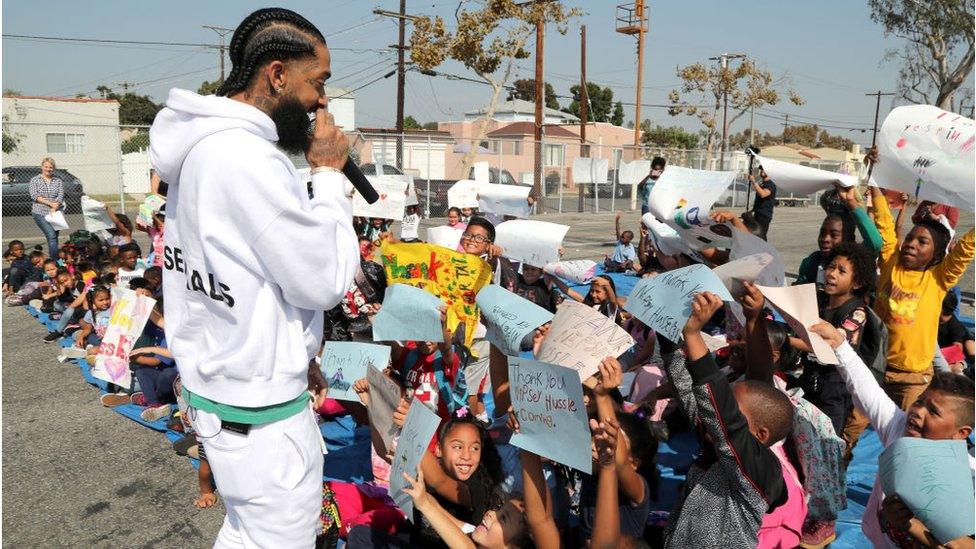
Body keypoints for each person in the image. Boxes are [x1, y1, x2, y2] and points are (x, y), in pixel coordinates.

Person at [148, 8, 360, 547]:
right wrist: (329, 178)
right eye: (318, 82)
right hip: (262, 422)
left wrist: (294, 348)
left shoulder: (199, 146)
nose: (321, 102)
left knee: (245, 533)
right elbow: (325, 280)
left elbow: (247, 275)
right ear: (278, 74)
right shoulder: (245, 159)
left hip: (220, 396)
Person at [810, 322, 975, 548]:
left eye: (933, 411)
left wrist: (911, 525)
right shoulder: (899, 431)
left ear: (961, 433)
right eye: (919, 401)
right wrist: (840, 345)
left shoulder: (969, 481)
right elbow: (869, 391)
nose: (917, 410)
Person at [663, 292, 791, 548]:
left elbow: (726, 421)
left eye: (731, 408)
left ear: (761, 435)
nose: (720, 410)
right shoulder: (713, 445)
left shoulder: (761, 469)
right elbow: (687, 389)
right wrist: (664, 325)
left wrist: (693, 335)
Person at [867, 179, 974, 410]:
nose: (911, 244)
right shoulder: (890, 263)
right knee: (851, 429)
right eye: (910, 238)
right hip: (873, 369)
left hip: (913, 379)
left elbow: (964, 250)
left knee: (909, 432)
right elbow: (884, 224)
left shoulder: (938, 279)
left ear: (936, 256)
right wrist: (875, 182)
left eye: (922, 242)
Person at [29, 157, 65, 257]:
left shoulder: (58, 181)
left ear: (53, 168)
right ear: (42, 167)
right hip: (40, 212)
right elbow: (34, 196)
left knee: (54, 236)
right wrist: (50, 204)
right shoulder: (35, 180)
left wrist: (55, 207)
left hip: (56, 213)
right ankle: (54, 260)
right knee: (51, 235)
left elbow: (60, 195)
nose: (48, 169)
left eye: (51, 167)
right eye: (46, 167)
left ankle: (51, 258)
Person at [748, 166, 777, 240]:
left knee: (761, 237)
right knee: (755, 236)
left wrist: (753, 181)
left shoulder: (770, 184)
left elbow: (763, 194)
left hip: (764, 215)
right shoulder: (762, 183)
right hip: (757, 213)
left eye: (764, 170)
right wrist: (753, 210)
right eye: (761, 170)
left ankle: (764, 250)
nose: (762, 171)